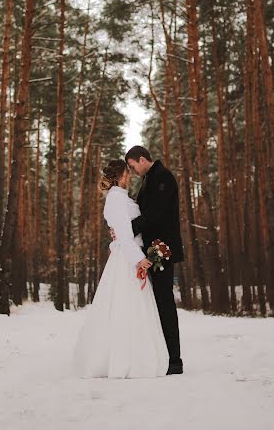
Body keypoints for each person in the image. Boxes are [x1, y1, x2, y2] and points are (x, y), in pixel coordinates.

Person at [71, 159, 169, 379]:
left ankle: (135, 356)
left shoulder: (120, 198)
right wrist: (138, 259)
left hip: (130, 254)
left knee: (131, 307)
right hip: (127, 259)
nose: (131, 175)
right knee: (124, 307)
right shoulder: (116, 199)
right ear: (121, 176)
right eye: (128, 172)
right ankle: (121, 360)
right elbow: (124, 235)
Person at [112, 146, 184, 375]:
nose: (132, 172)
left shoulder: (163, 178)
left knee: (164, 303)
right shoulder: (149, 180)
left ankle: (174, 360)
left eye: (132, 167)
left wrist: (126, 229)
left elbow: (155, 214)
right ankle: (159, 354)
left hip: (162, 250)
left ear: (142, 159)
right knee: (154, 304)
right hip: (149, 250)